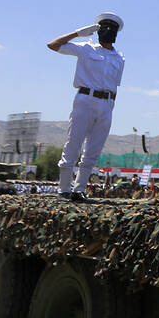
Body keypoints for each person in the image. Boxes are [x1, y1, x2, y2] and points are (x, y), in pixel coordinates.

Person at [47, 12, 125, 201]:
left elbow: (115, 84)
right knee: (73, 144)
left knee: (93, 151)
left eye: (111, 29)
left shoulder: (119, 58)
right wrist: (77, 33)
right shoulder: (86, 48)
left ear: (116, 33)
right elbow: (53, 45)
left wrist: (109, 105)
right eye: (103, 28)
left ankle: (79, 190)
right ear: (97, 31)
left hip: (107, 103)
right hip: (85, 99)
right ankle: (64, 189)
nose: (107, 32)